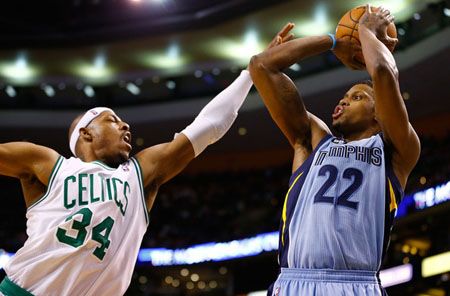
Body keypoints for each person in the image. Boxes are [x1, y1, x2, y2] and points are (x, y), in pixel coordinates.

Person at [0, 25, 294, 296]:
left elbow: (207, 127)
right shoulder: (50, 165)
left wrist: (250, 74)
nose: (125, 126)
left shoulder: (137, 174)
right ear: (86, 133)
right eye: (112, 120)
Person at [249, 5, 420, 296]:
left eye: (357, 97)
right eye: (343, 97)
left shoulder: (396, 150)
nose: (342, 102)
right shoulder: (313, 141)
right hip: (293, 281)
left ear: (379, 113)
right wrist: (333, 40)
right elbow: (261, 66)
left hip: (356, 284)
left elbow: (381, 71)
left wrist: (365, 31)